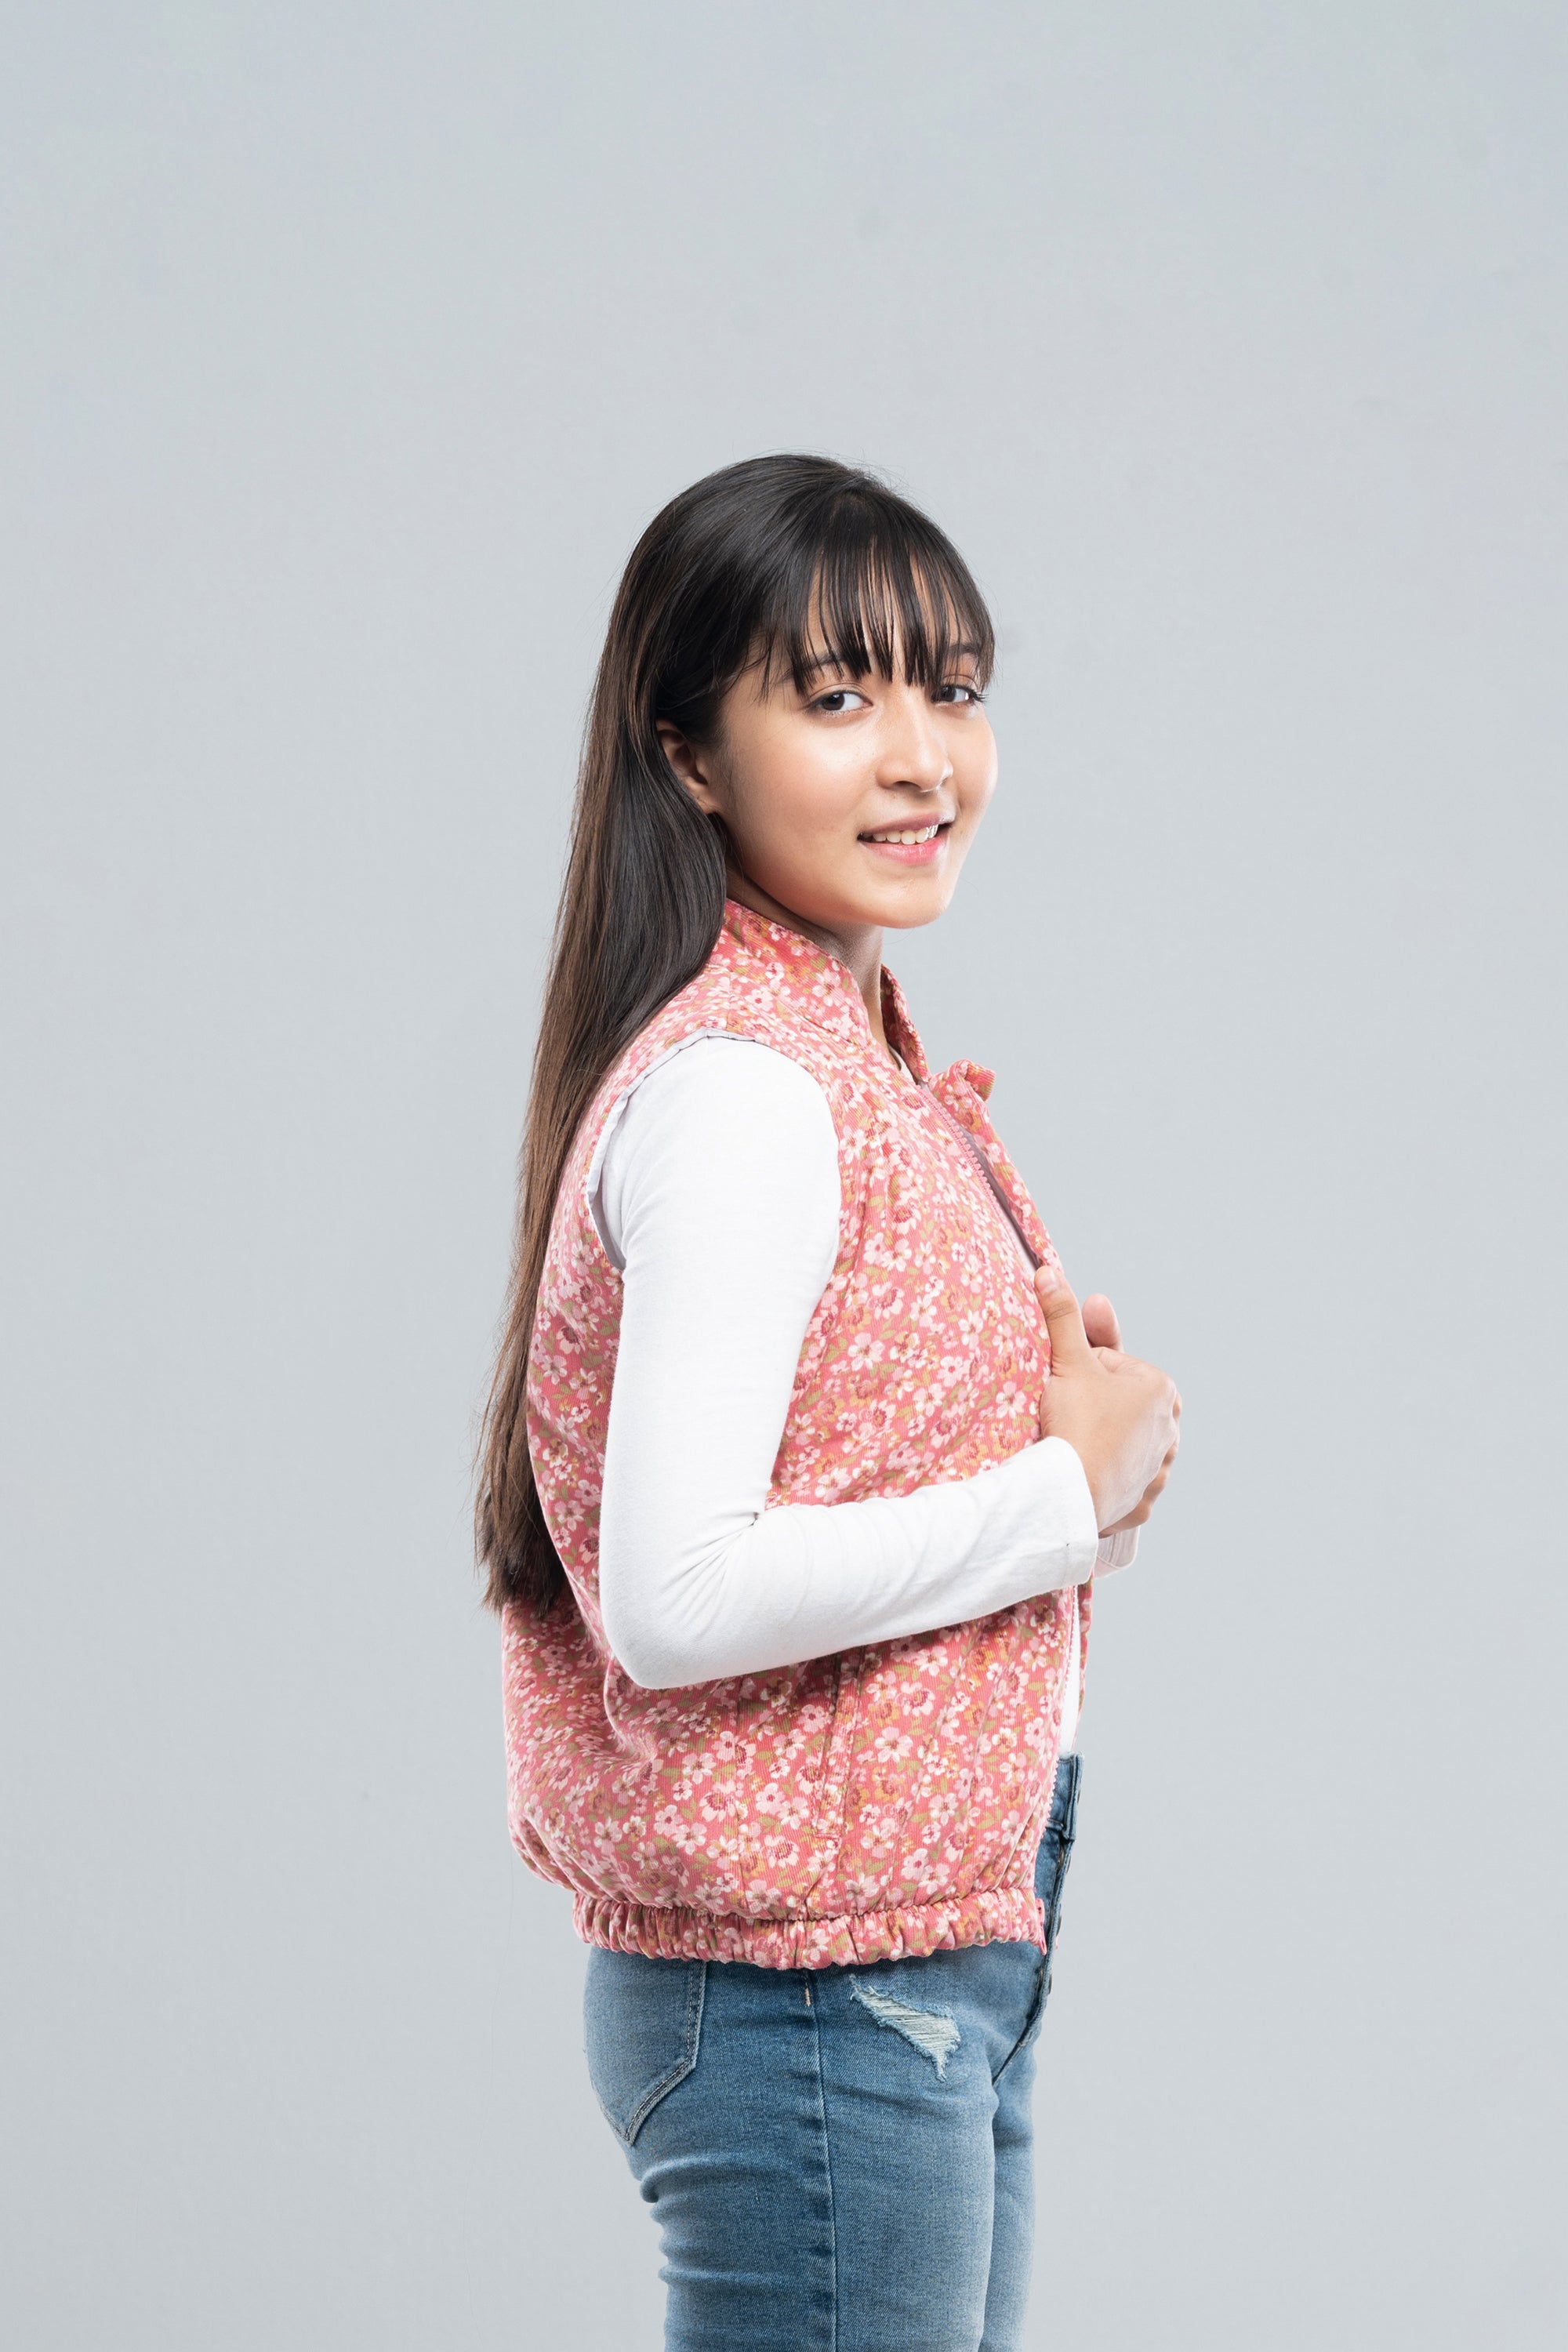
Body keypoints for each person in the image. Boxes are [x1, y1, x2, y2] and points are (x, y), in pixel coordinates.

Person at [477, 454, 1181, 2352]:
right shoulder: (746, 1094)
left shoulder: (839, 1063)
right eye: (838, 695)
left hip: (911, 1962)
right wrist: (1062, 1497)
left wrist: (1071, 1477)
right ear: (688, 752)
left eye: (953, 689)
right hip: (814, 1995)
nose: (922, 758)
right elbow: (676, 1596)